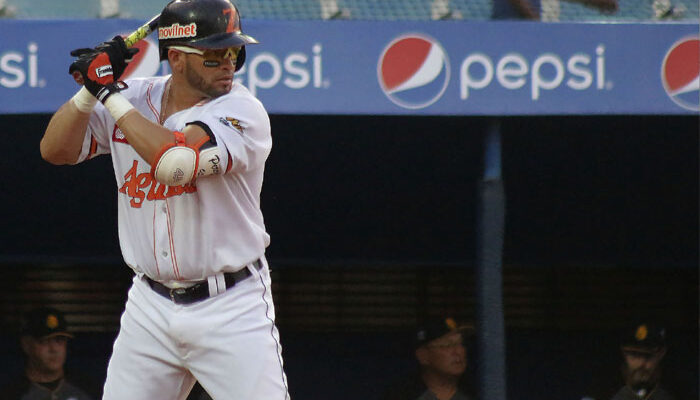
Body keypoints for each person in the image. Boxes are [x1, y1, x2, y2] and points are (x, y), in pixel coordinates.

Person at [39, 0, 290, 399]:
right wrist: (88, 93)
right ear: (176, 58)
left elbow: (174, 162)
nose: (228, 64)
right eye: (214, 55)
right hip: (150, 305)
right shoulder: (135, 97)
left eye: (234, 52)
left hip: (231, 306)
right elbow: (55, 151)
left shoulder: (243, 110)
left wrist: (108, 92)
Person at [2, 307, 94, 400]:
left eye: (59, 340)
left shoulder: (87, 388)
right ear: (26, 345)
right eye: (44, 341)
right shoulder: (10, 394)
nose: (54, 349)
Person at [382, 317, 474, 400]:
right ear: (423, 356)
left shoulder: (478, 391)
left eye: (461, 343)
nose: (458, 351)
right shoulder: (400, 395)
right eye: (447, 345)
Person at [583, 322, 677, 400]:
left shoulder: (676, 390)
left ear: (662, 353)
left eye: (648, 356)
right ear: (623, 353)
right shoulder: (600, 392)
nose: (641, 363)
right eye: (634, 355)